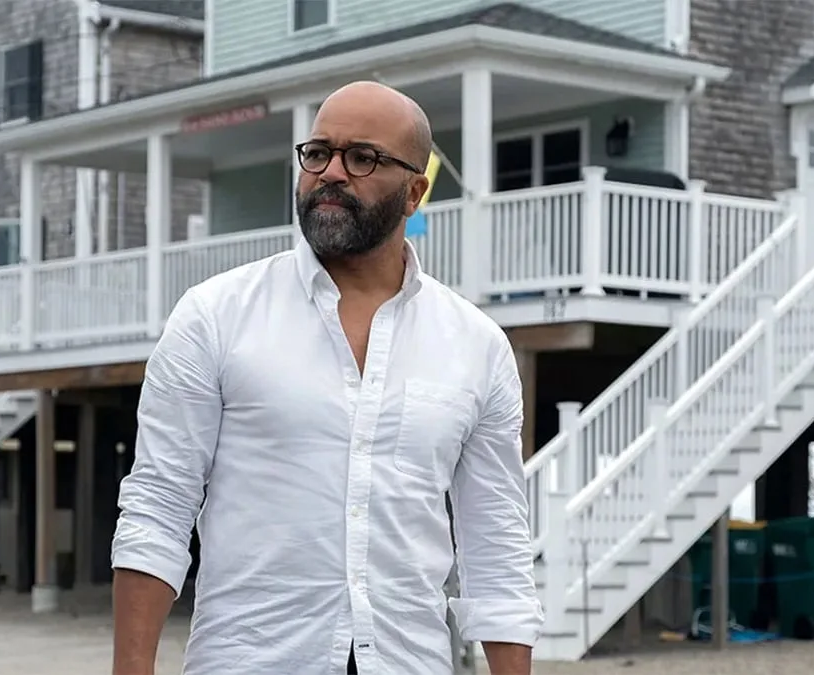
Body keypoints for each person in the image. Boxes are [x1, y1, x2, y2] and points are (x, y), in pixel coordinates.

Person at [110, 80, 543, 675]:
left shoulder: (476, 345)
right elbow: (159, 504)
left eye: (362, 158)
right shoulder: (215, 315)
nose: (332, 172)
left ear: (415, 191)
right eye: (318, 153)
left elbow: (495, 542)